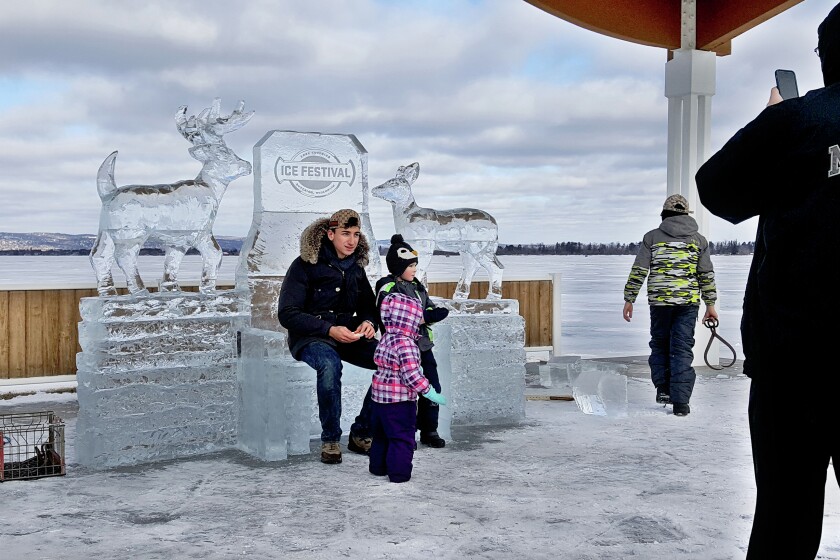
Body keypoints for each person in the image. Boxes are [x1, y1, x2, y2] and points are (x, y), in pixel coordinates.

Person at [695, 4, 840, 557]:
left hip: (793, 362)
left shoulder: (799, 121)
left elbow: (719, 190)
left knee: (785, 514)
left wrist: (772, 119)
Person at [277, 209, 379, 465]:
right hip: (312, 337)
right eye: (345, 233)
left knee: (390, 360)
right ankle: (331, 439)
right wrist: (328, 329)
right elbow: (287, 314)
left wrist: (369, 322)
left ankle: (361, 433)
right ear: (330, 234)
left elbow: (368, 306)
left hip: (348, 333)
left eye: (356, 234)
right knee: (330, 365)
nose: (352, 240)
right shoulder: (304, 265)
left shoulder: (356, 267)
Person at [622, 194, 718, 416]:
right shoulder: (699, 241)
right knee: (682, 348)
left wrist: (629, 299)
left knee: (660, 344)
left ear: (664, 214)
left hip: (660, 303)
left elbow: (639, 270)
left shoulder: (652, 237)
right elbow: (706, 274)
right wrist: (710, 304)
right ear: (686, 214)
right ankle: (681, 403)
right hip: (688, 303)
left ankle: (663, 390)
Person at [375, 234, 450, 447]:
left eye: (415, 265)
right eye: (410, 265)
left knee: (432, 386)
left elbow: (428, 307)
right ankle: (402, 432)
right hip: (399, 349)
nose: (415, 269)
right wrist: (423, 317)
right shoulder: (387, 286)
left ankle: (429, 429)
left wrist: (433, 313)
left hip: (422, 346)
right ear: (398, 267)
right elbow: (388, 313)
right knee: (402, 392)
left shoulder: (417, 286)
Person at [370, 292, 446, 482]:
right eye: (417, 316)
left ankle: (378, 468)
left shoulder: (386, 338)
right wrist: (430, 392)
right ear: (409, 318)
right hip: (400, 402)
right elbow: (412, 375)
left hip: (379, 400)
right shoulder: (407, 345)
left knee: (381, 435)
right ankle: (399, 473)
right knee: (402, 437)